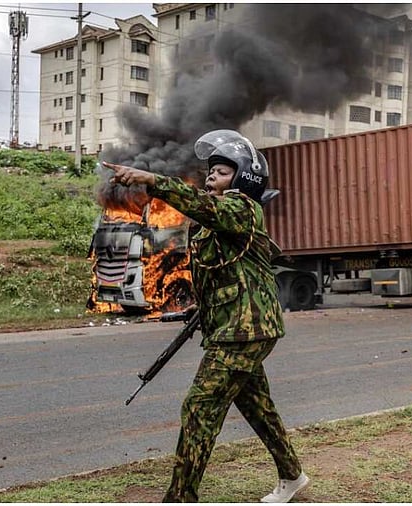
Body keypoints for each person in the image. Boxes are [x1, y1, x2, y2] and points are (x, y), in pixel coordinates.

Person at [104, 129, 310, 503]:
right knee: (257, 407)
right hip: (235, 327)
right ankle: (292, 476)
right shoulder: (217, 221)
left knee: (200, 408)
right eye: (210, 169)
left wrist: (153, 181)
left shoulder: (242, 209)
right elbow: (224, 272)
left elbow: (202, 205)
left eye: (223, 170)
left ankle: (180, 497)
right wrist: (202, 306)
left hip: (244, 331)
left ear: (245, 176)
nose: (212, 174)